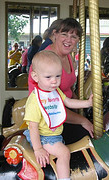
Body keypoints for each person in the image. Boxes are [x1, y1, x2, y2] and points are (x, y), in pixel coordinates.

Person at [23, 50, 93, 180]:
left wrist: (87, 103)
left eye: (58, 76)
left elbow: (68, 102)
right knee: (64, 153)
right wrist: (38, 149)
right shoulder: (35, 100)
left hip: (54, 135)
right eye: (48, 77)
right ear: (35, 76)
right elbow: (33, 126)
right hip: (43, 137)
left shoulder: (55, 92)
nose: (54, 81)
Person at [28, 18, 94, 143]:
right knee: (87, 136)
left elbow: (67, 88)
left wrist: (83, 104)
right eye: (64, 34)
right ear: (55, 34)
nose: (69, 40)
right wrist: (82, 120)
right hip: (51, 116)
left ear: (78, 40)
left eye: (74, 36)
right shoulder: (46, 60)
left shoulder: (67, 56)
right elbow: (51, 105)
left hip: (67, 108)